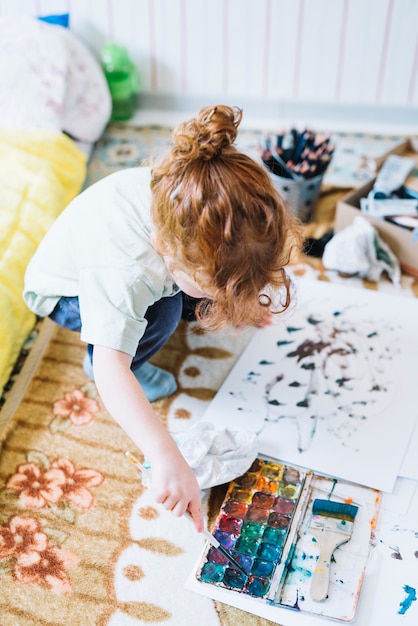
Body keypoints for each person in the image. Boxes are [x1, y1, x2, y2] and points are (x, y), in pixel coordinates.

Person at [23, 104, 303, 532]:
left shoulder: (189, 191)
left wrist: (238, 293)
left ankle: (191, 294)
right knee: (167, 312)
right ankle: (123, 351)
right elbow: (109, 371)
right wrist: (166, 455)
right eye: (215, 290)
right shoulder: (130, 272)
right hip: (66, 293)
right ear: (167, 252)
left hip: (141, 263)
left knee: (185, 297)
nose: (224, 301)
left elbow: (218, 263)